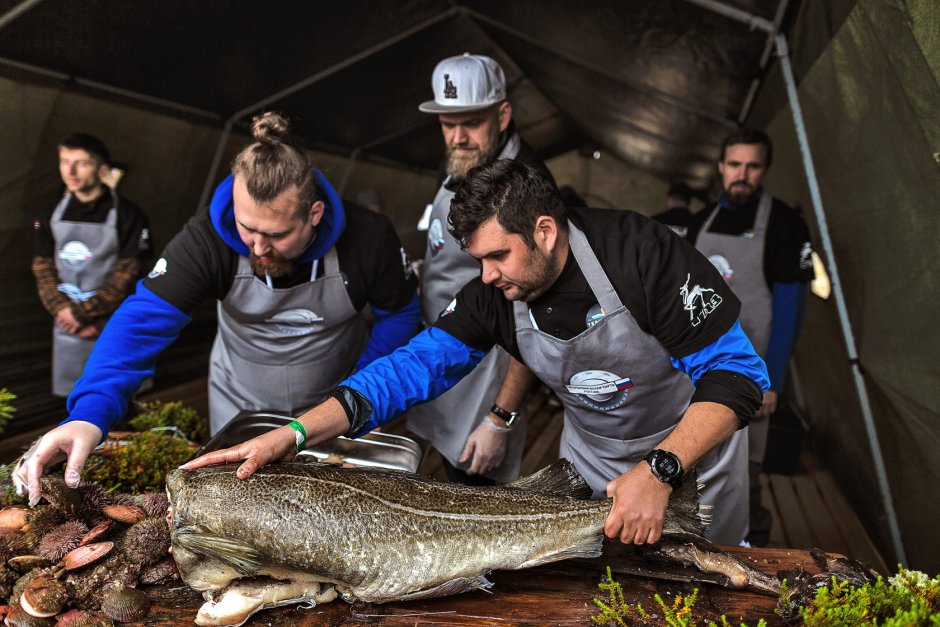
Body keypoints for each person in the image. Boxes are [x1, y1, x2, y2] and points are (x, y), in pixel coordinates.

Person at [179, 160, 769, 547]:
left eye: (497, 257)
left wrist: (661, 471)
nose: (484, 277)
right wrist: (294, 434)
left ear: (544, 231)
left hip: (691, 455)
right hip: (590, 458)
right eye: (475, 260)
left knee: (705, 585)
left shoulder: (643, 255)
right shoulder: (494, 294)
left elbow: (738, 377)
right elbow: (410, 370)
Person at [15, 113, 420, 501]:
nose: (258, 248)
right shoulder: (207, 239)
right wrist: (89, 414)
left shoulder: (368, 238)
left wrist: (360, 395)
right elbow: (140, 323)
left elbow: (399, 313)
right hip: (237, 400)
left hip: (330, 398)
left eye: (277, 234)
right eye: (248, 228)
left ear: (314, 214)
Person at [407, 52, 557, 485]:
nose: (458, 137)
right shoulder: (459, 158)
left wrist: (500, 417)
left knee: (475, 491)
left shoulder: (528, 185)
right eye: (447, 124)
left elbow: (536, 316)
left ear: (503, 114)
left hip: (488, 371)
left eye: (471, 122)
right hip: (439, 349)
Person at [691, 127, 814, 546]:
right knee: (698, 465)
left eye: (753, 166)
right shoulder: (701, 220)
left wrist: (772, 381)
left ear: (764, 170)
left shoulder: (785, 225)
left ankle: (756, 552)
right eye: (735, 165)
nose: (742, 174)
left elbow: (789, 314)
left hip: (751, 373)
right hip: (699, 369)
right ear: (721, 166)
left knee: (748, 474)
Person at [32, 134, 151, 397]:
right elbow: (42, 267)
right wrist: (64, 311)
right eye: (65, 162)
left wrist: (87, 314)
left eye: (81, 163)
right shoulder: (50, 212)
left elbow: (128, 272)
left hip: (113, 321)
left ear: (103, 169)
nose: (71, 171)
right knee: (73, 400)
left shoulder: (129, 215)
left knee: (121, 396)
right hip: (67, 325)